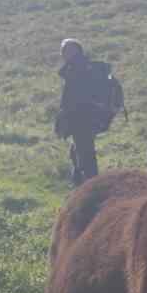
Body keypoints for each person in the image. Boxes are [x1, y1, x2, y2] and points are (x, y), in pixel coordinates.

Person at [54, 38, 122, 186]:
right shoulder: (80, 66)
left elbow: (75, 97)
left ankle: (92, 187)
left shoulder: (79, 68)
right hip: (87, 116)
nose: (63, 53)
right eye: (62, 50)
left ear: (76, 51)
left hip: (83, 117)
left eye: (66, 50)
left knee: (86, 154)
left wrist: (65, 114)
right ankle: (79, 182)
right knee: (78, 150)